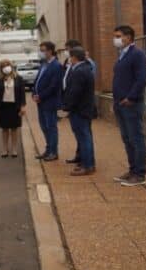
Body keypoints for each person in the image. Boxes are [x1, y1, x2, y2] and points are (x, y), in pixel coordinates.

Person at [112, 25, 146, 187]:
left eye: (118, 36)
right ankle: (132, 170)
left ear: (128, 37)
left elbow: (142, 79)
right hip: (120, 103)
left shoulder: (137, 54)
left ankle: (140, 174)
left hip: (131, 104)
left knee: (136, 138)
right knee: (127, 139)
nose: (116, 39)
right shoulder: (122, 54)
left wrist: (131, 97)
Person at [60, 46, 97, 175]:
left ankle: (88, 165)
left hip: (80, 110)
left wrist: (66, 107)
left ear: (74, 57)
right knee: (84, 137)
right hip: (82, 109)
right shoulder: (83, 69)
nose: (69, 59)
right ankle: (87, 163)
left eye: (70, 56)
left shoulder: (80, 71)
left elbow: (74, 92)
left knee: (84, 137)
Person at [0, 60, 27, 158]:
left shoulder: (19, 78)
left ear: (11, 66)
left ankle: (14, 149)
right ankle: (4, 149)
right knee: (4, 129)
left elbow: (22, 94)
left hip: (15, 106)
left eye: (7, 65)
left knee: (14, 128)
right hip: (3, 106)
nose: (6, 67)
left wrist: (23, 106)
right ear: (1, 68)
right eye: (3, 66)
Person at [32, 41, 63, 162]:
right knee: (44, 126)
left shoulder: (56, 66)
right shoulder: (44, 64)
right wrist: (34, 93)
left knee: (51, 127)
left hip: (49, 101)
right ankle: (48, 149)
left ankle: (53, 152)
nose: (41, 53)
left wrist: (41, 96)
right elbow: (38, 80)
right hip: (40, 101)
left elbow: (54, 85)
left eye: (43, 50)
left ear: (50, 51)